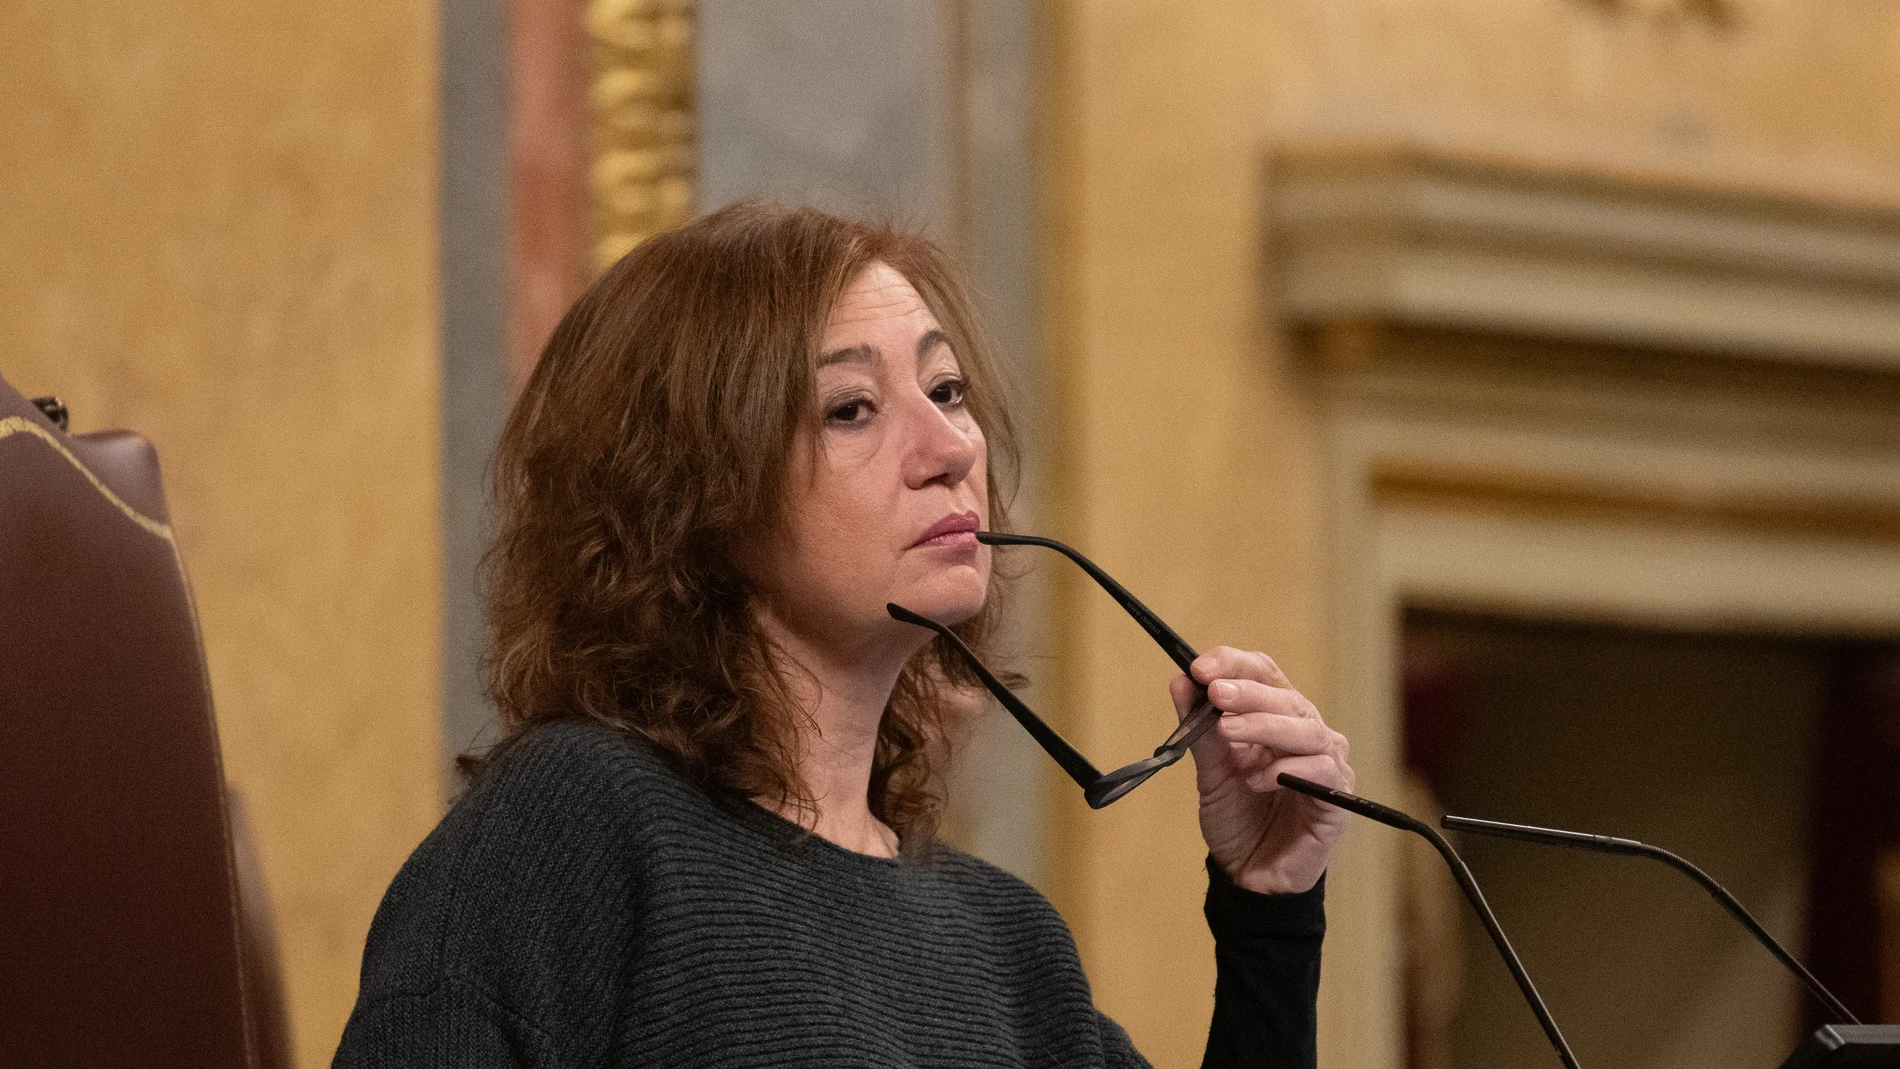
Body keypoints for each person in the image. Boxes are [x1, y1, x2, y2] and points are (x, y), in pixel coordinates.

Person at [333, 202, 1356, 1068]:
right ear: (690, 492)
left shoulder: (1009, 947)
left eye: (947, 390)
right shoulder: (575, 825)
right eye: (852, 407)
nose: (952, 445)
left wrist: (1268, 910)